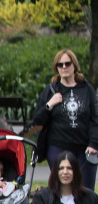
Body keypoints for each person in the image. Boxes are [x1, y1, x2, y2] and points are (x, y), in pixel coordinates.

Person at [33, 49, 98, 191]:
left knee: (86, 193)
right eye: (59, 65)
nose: (64, 67)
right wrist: (49, 104)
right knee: (62, 191)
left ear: (74, 65)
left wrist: (94, 143)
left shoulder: (87, 89)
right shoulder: (51, 90)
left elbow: (95, 119)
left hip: (84, 148)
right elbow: (37, 121)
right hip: (58, 147)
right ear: (56, 68)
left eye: (67, 63)